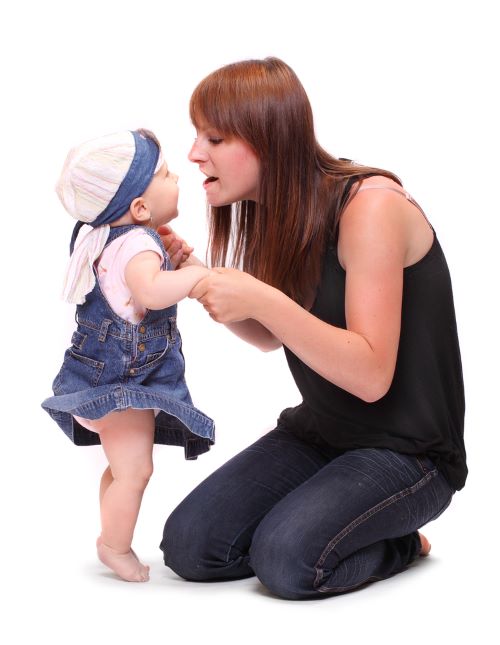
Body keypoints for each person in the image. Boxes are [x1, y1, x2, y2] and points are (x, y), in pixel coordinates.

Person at [160, 57, 467, 600]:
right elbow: (270, 335)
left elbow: (370, 375)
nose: (195, 153)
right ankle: (327, 525)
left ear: (268, 139)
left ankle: (399, 545)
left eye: (215, 138)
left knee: (285, 560)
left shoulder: (369, 208)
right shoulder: (278, 210)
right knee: (190, 546)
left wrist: (261, 297)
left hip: (408, 453)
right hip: (322, 434)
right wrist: (198, 276)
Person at [42, 129, 214, 583]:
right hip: (123, 385)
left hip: (94, 377)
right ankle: (115, 546)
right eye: (165, 174)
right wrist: (197, 279)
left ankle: (109, 535)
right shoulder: (138, 245)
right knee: (137, 472)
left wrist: (177, 260)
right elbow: (152, 292)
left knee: (122, 470)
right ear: (139, 208)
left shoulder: (105, 238)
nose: (176, 177)